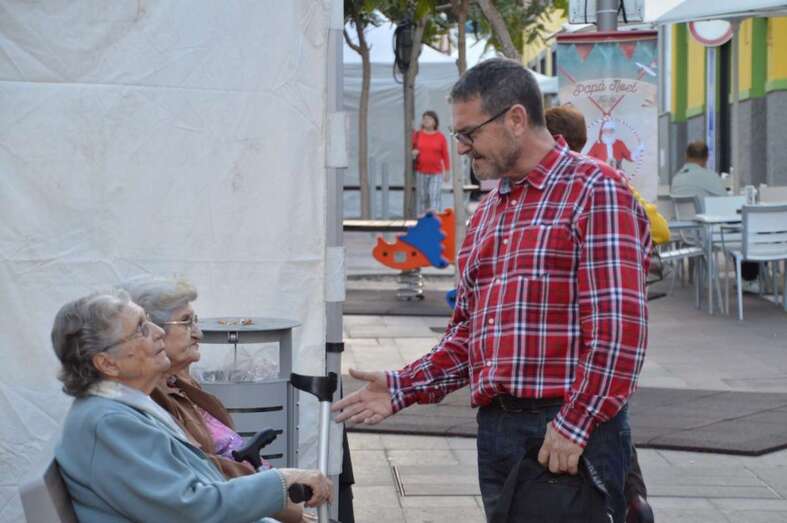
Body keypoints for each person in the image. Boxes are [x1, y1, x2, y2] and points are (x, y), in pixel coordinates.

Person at [334, 58, 651, 523]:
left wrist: (575, 423)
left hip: (565, 433)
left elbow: (619, 334)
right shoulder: (490, 209)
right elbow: (469, 336)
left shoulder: (595, 191)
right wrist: (403, 386)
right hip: (498, 431)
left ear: (516, 120)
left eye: (468, 133)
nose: (460, 148)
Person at [52, 290, 331, 523]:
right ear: (107, 363)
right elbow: (193, 509)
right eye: (141, 329)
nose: (159, 332)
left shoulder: (122, 410)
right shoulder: (109, 424)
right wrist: (282, 480)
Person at [121, 276, 312, 523]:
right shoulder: (150, 401)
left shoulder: (177, 385)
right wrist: (281, 496)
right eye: (187, 323)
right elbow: (204, 477)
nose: (198, 333)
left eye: (196, 321)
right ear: (151, 331)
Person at [545, 106, 654, 523]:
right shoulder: (608, 179)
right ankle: (633, 498)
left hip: (577, 350)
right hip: (608, 341)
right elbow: (656, 230)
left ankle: (623, 500)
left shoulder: (594, 184)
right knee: (614, 417)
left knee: (603, 427)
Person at [413, 110, 450, 215]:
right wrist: (413, 152)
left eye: (429, 119)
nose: (426, 121)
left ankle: (436, 219)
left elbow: (445, 155)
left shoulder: (440, 137)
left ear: (434, 122)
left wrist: (447, 171)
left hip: (436, 173)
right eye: (424, 119)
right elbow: (411, 148)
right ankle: (421, 220)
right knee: (422, 197)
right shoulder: (417, 135)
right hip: (421, 171)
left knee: (434, 195)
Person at [671, 141, 727, 205]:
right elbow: (726, 200)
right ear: (707, 157)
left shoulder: (676, 179)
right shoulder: (710, 177)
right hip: (703, 214)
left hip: (681, 215)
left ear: (686, 156)